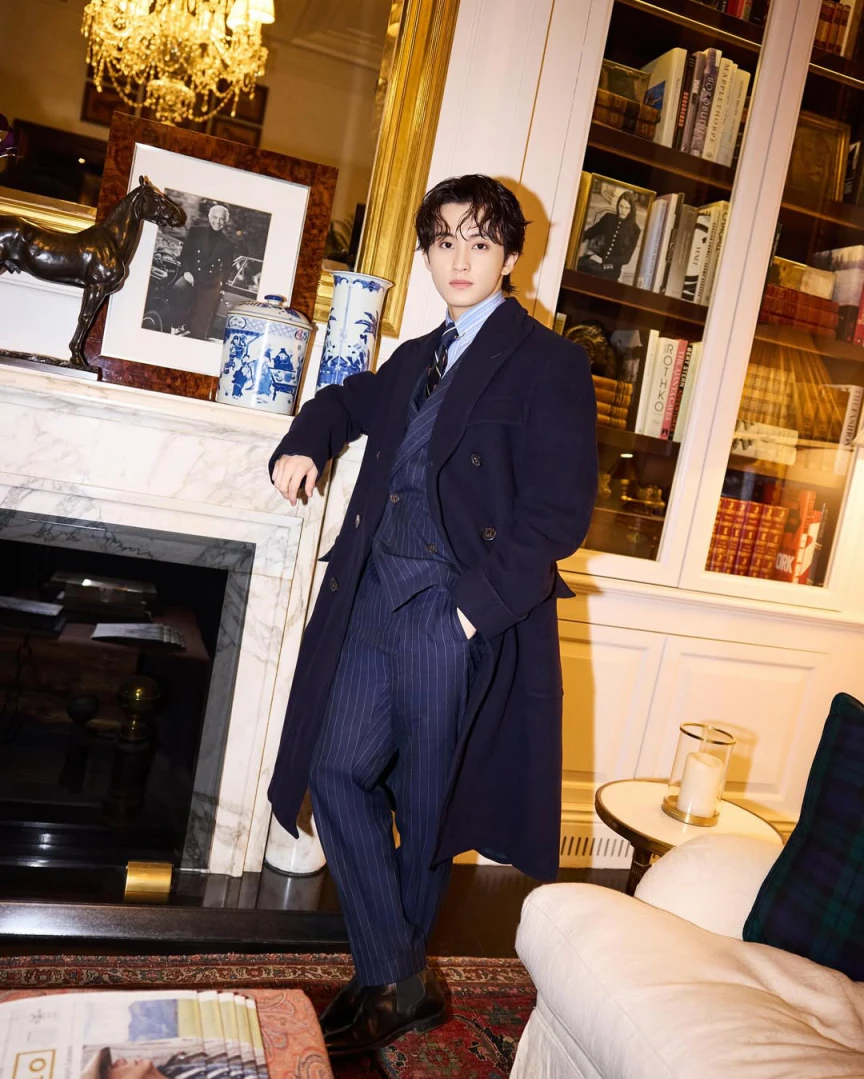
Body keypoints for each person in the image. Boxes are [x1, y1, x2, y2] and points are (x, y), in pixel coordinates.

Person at [268, 174, 598, 1057]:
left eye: (480, 241)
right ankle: (400, 976)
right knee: (335, 768)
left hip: (451, 610)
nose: (460, 257)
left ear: (510, 255)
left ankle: (386, 981)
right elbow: (345, 401)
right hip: (372, 593)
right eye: (444, 240)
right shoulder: (418, 356)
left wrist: (467, 614)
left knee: (426, 805)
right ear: (426, 253)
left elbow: (558, 512)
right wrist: (305, 440)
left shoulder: (549, 363)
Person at [169, 203, 235, 339]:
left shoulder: (228, 243)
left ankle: (195, 334)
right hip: (191, 276)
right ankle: (176, 325)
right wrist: (186, 272)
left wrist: (221, 282)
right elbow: (185, 254)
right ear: (209, 217)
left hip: (210, 283)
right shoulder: (196, 232)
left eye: (221, 219)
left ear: (225, 221)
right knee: (179, 288)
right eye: (215, 217)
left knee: (201, 324)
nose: (217, 222)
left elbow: (227, 267)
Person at [577, 190, 641, 281]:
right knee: (578, 266)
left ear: (631, 210)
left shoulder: (635, 230)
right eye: (621, 206)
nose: (623, 211)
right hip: (595, 260)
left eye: (627, 208)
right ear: (617, 205)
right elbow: (590, 232)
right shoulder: (609, 218)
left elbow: (626, 259)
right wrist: (575, 239)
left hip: (612, 269)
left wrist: (603, 260)